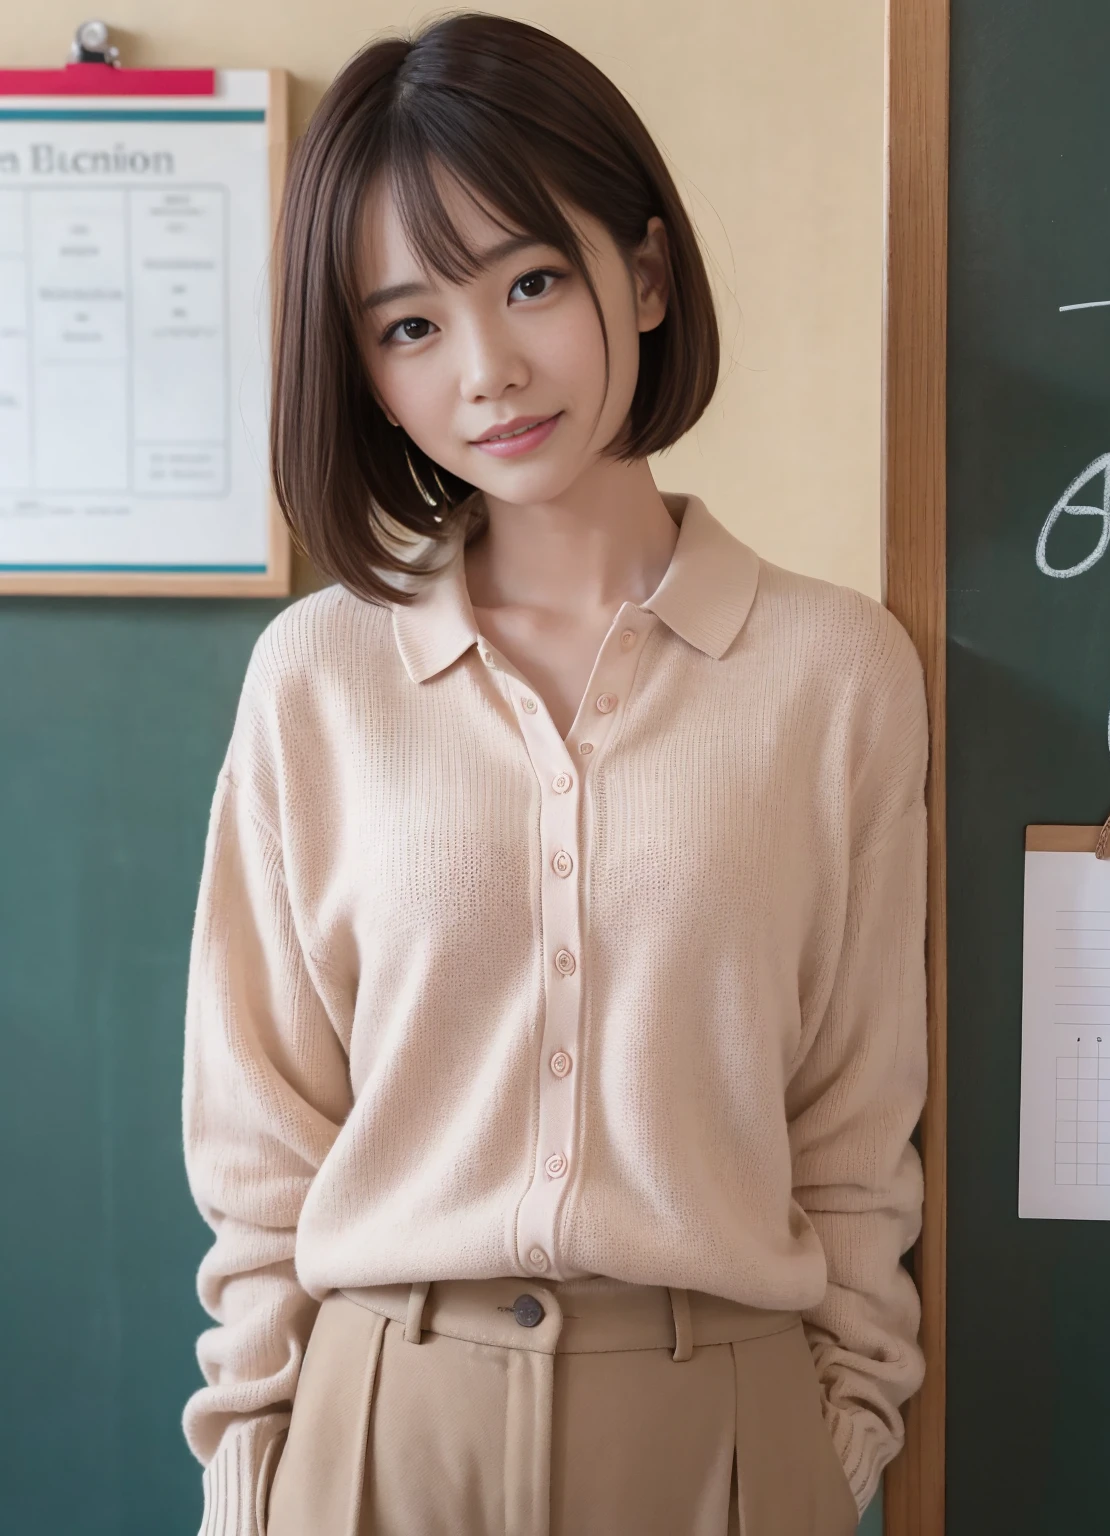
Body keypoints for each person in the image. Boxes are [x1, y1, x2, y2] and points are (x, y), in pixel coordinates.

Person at [180, 13, 929, 1536]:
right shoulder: (317, 680)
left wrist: (832, 1439)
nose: (490, 369)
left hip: (723, 1429)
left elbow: (858, 1124)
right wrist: (257, 1474)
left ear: (642, 276)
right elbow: (260, 1141)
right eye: (410, 326)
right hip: (378, 1430)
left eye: (530, 282)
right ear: (368, 373)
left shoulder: (836, 674)